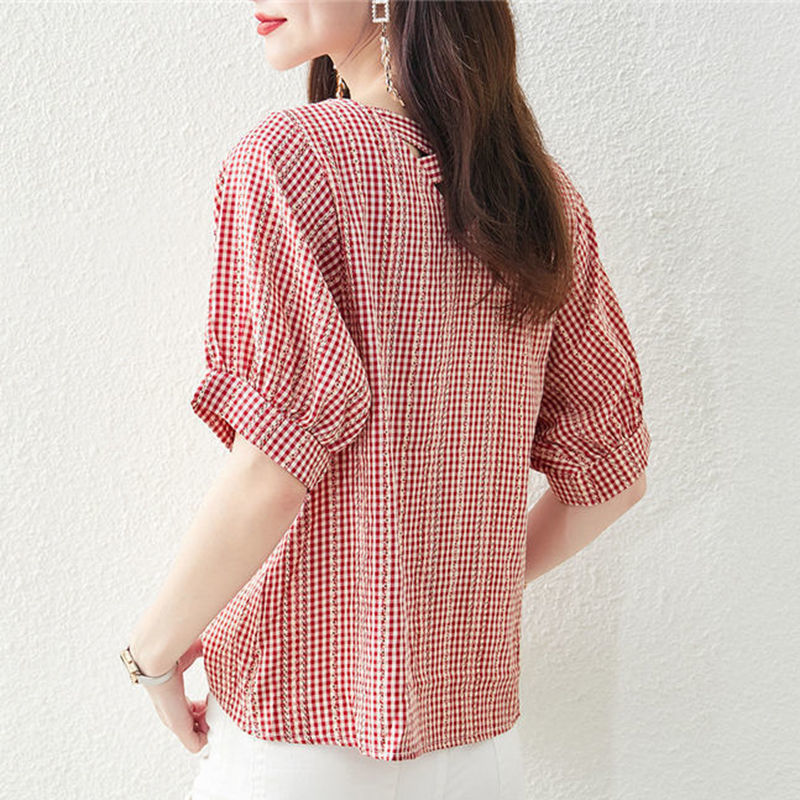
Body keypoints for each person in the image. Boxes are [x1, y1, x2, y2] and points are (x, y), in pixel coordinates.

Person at [119, 1, 651, 798]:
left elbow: (273, 468)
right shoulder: (541, 196)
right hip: (478, 752)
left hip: (298, 741)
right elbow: (613, 477)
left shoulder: (291, 159)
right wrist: (454, 591)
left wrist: (152, 654)